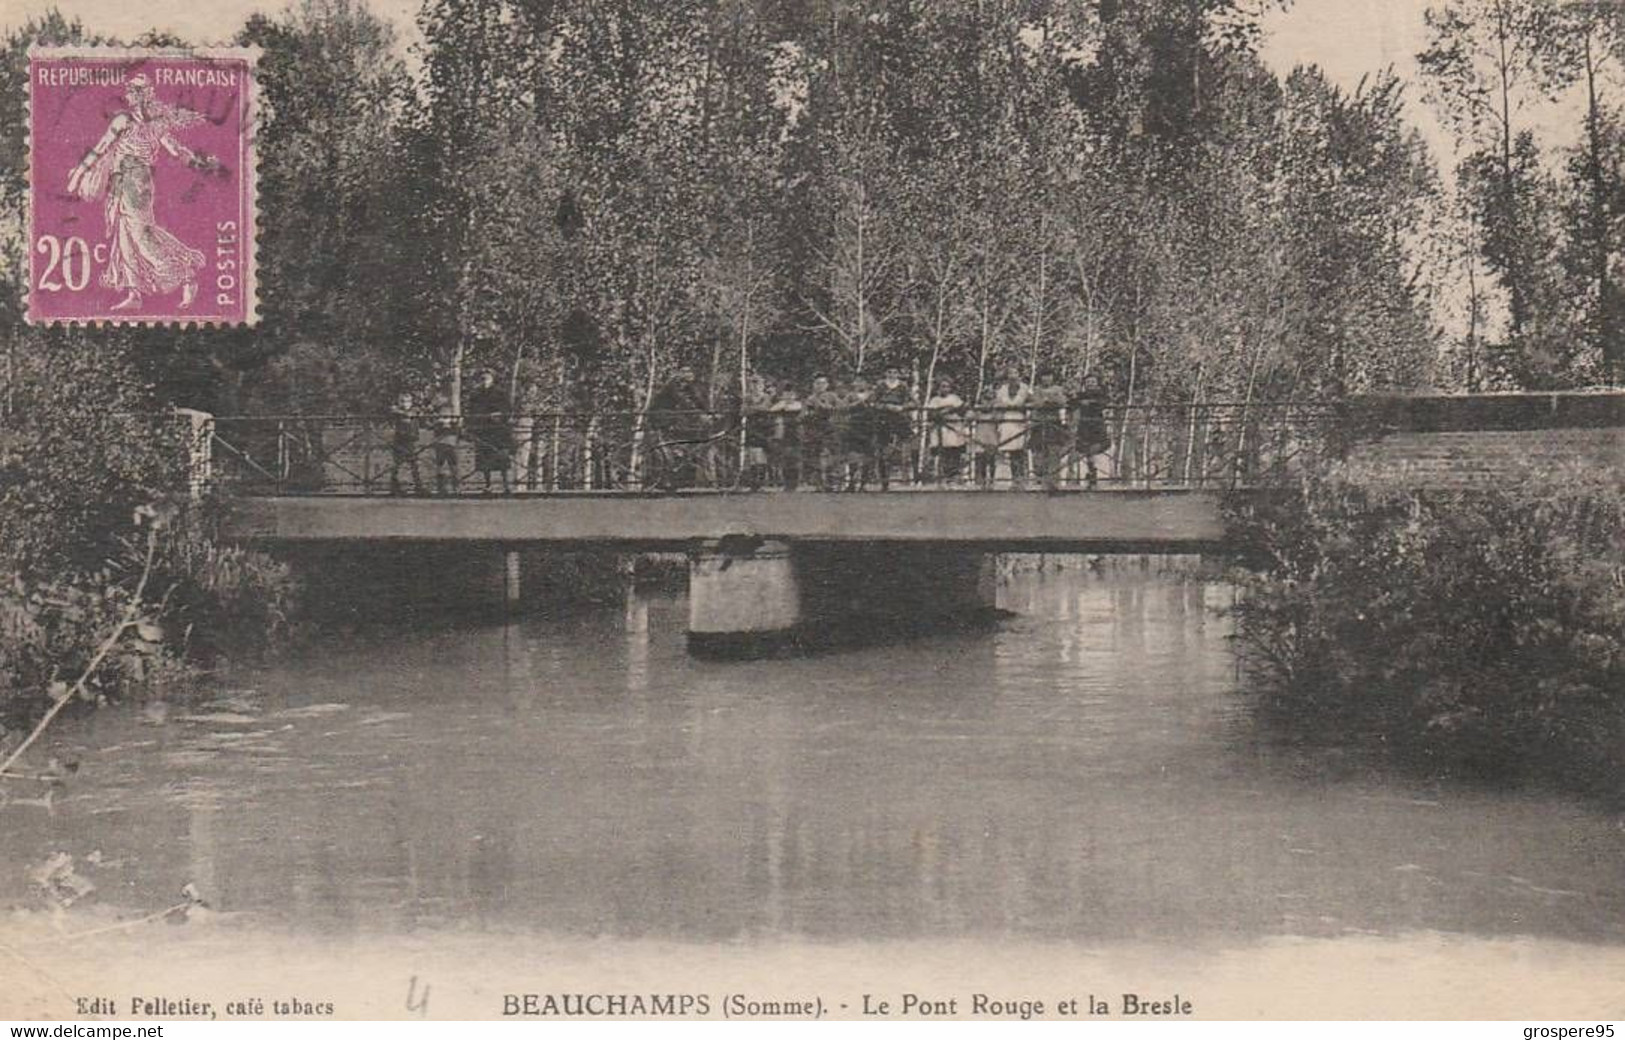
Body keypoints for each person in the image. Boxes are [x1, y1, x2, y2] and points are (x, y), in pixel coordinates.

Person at [67, 75, 211, 312]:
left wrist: (199, 162)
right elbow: (103, 147)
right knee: (125, 235)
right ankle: (134, 294)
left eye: (133, 92)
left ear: (142, 95)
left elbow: (174, 149)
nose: (129, 96)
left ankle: (185, 275)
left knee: (141, 235)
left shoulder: (150, 123)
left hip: (136, 183)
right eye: (130, 92)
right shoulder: (132, 121)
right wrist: (79, 173)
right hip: (121, 183)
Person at [648, 365, 708, 490]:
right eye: (685, 372)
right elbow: (682, 400)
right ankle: (676, 455)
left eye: (690, 372)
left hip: (669, 414)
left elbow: (696, 399)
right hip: (660, 414)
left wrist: (707, 412)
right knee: (682, 428)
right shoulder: (673, 384)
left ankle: (678, 455)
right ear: (679, 373)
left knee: (687, 430)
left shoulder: (686, 385)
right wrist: (699, 415)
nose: (689, 375)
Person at [981, 368, 1031, 486]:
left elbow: (1031, 401)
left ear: (1019, 375)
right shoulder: (1002, 389)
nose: (1013, 376)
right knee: (1008, 449)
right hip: (1006, 419)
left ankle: (1020, 478)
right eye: (1010, 373)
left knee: (1019, 450)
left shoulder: (1025, 388)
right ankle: (1002, 478)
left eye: (1015, 373)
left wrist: (1025, 407)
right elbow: (998, 403)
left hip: (1019, 419)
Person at [466, 371, 513, 493]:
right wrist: (473, 423)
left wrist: (500, 414)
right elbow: (471, 410)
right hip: (483, 429)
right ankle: (488, 485)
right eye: (482, 377)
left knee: (502, 457)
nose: (484, 379)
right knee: (484, 458)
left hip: (498, 430)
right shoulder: (476, 394)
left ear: (492, 378)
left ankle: (506, 485)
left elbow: (507, 409)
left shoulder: (500, 392)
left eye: (487, 377)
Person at [871, 366, 916, 489]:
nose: (892, 375)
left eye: (895, 372)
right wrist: (886, 406)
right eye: (889, 372)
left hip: (899, 419)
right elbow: (873, 402)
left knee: (907, 445)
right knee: (882, 450)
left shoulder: (903, 386)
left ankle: (909, 477)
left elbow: (914, 402)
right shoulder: (880, 386)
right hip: (883, 420)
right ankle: (884, 481)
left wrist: (902, 407)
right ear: (885, 373)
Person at [1071, 371, 1113, 489]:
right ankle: (1090, 473)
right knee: (1086, 450)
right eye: (1088, 382)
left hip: (1097, 425)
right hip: (1084, 426)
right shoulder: (1081, 395)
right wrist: (1079, 401)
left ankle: (1097, 475)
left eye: (1093, 382)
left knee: (1096, 448)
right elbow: (1072, 403)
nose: (1090, 384)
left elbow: (1104, 403)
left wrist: (1089, 403)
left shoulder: (1101, 394)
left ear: (1097, 383)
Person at [1028, 371, 1069, 491]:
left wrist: (1048, 401)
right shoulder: (1036, 389)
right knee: (1038, 451)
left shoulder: (1058, 389)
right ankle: (1039, 478)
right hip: (1039, 424)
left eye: (1048, 376)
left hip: (1053, 424)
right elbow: (1035, 403)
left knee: (1054, 451)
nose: (1046, 379)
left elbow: (1062, 402)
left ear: (1052, 378)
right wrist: (1048, 401)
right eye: (1044, 376)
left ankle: (1053, 481)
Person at [924, 378, 968, 483]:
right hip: (941, 428)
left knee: (954, 451)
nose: (945, 389)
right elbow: (932, 414)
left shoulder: (955, 398)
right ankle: (941, 475)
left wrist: (951, 410)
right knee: (941, 451)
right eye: (943, 386)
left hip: (953, 427)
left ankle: (954, 475)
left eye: (947, 387)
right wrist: (946, 410)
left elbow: (962, 408)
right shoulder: (935, 400)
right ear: (939, 388)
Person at [801, 375, 841, 491]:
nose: (820, 386)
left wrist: (822, 405)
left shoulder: (832, 396)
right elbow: (804, 414)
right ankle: (818, 483)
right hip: (814, 429)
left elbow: (838, 409)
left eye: (823, 383)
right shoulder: (810, 398)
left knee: (831, 455)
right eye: (817, 383)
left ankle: (832, 482)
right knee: (815, 456)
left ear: (827, 385)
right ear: (813, 385)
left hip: (829, 428)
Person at [739, 375, 774, 491]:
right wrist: (755, 409)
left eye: (758, 384)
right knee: (753, 454)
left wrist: (753, 409)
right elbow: (743, 411)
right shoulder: (747, 397)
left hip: (764, 428)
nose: (756, 387)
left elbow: (766, 408)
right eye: (753, 384)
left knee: (762, 455)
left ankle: (761, 482)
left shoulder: (766, 397)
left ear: (762, 386)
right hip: (752, 427)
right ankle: (754, 483)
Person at [768, 383, 804, 490]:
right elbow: (772, 411)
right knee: (785, 459)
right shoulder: (780, 405)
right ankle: (786, 483)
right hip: (784, 434)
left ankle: (795, 483)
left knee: (795, 459)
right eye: (786, 394)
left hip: (796, 433)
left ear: (795, 395)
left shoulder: (799, 405)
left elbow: (801, 415)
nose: (789, 396)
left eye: (791, 394)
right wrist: (783, 405)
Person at [387, 391, 422, 495]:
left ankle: (418, 485)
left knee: (414, 463)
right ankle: (394, 486)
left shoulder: (414, 411)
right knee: (397, 463)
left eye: (407, 401)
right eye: (402, 401)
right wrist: (403, 413)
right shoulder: (397, 411)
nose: (405, 404)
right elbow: (393, 411)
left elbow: (417, 412)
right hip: (400, 440)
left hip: (410, 440)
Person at [430, 389, 461, 494]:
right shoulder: (435, 412)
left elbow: (456, 427)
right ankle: (441, 486)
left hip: (451, 441)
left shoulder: (452, 410)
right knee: (440, 464)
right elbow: (433, 425)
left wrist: (453, 423)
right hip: (440, 442)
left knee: (453, 464)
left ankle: (456, 486)